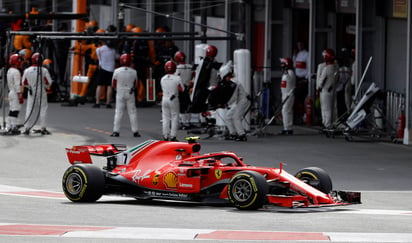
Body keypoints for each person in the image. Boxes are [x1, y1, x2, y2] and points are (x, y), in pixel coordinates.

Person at [22, 52, 53, 135]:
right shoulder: (44, 70)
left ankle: (27, 128)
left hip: (31, 92)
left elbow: (24, 82)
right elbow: (49, 82)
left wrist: (30, 87)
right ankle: (43, 128)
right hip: (41, 91)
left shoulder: (27, 70)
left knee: (29, 109)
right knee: (43, 109)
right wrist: (44, 87)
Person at [110, 54, 141, 137]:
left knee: (118, 112)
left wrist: (117, 89)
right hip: (130, 92)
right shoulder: (134, 72)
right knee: (132, 112)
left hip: (120, 92)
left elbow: (113, 83)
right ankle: (135, 131)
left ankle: (116, 131)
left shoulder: (116, 71)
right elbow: (135, 84)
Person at [219, 61, 249, 142]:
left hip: (242, 101)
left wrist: (226, 104)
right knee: (228, 117)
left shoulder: (234, 83)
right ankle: (233, 133)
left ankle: (241, 134)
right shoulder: (231, 82)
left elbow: (233, 96)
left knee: (236, 117)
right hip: (239, 101)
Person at [160, 61, 183, 141]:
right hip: (173, 99)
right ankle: (173, 136)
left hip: (164, 98)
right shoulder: (177, 78)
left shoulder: (163, 78)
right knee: (174, 117)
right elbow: (181, 89)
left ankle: (165, 136)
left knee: (165, 117)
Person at [316, 48, 338, 129]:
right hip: (332, 90)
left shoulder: (326, 68)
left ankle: (327, 125)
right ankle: (331, 123)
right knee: (332, 109)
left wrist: (319, 87)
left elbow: (320, 82)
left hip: (325, 91)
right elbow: (337, 79)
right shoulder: (336, 67)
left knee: (326, 109)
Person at [93, 40, 116, 108]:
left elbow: (98, 57)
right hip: (111, 69)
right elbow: (117, 57)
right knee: (109, 86)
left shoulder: (99, 49)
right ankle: (108, 103)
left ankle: (97, 102)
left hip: (102, 68)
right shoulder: (113, 50)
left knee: (99, 85)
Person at [5, 54, 24, 135]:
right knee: (15, 110)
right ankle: (13, 127)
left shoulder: (9, 70)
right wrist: (20, 96)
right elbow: (17, 85)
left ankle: (9, 126)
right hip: (15, 93)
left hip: (11, 92)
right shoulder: (16, 72)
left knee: (12, 109)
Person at [174, 51, 193, 128]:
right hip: (188, 88)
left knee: (180, 106)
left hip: (180, 89)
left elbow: (175, 79)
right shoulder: (190, 67)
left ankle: (182, 121)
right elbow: (193, 76)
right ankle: (187, 121)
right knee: (187, 104)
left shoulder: (177, 68)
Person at [292, 41, 310, 124]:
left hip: (303, 78)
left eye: (300, 44)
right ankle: (298, 115)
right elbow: (294, 65)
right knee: (296, 97)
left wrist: (306, 79)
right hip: (297, 78)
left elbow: (309, 67)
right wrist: (294, 55)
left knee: (301, 97)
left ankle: (304, 115)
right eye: (298, 45)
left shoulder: (307, 54)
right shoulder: (298, 55)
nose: (299, 46)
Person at [279, 57, 296, 135]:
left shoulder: (290, 72)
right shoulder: (286, 73)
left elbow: (290, 81)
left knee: (286, 111)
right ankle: (287, 127)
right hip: (285, 94)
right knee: (286, 111)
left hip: (288, 94)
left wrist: (286, 72)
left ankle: (287, 128)